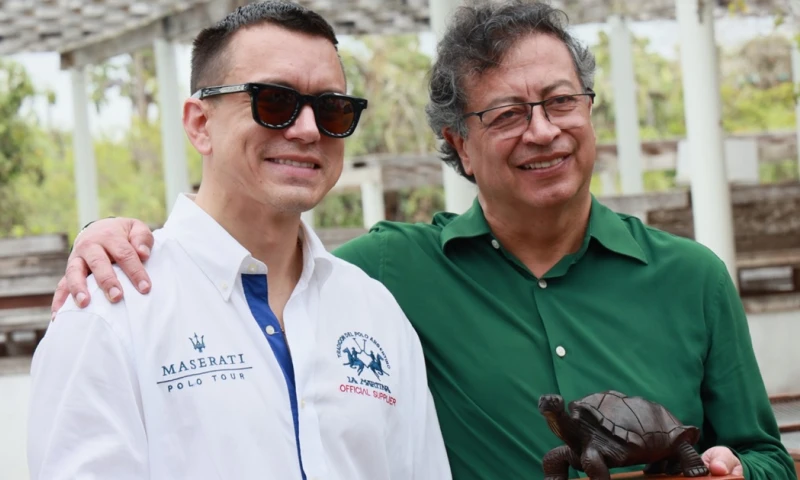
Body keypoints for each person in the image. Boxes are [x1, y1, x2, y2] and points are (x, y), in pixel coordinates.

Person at [50, 1, 795, 479]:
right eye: (506, 113)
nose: (542, 130)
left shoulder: (691, 276)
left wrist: (730, 473)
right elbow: (239, 249)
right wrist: (108, 236)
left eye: (562, 101)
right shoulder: (392, 277)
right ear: (457, 145)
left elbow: (768, 457)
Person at [28, 2, 451, 479]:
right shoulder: (110, 312)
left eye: (332, 109)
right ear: (199, 123)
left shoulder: (375, 310)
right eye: (274, 101)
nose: (308, 129)